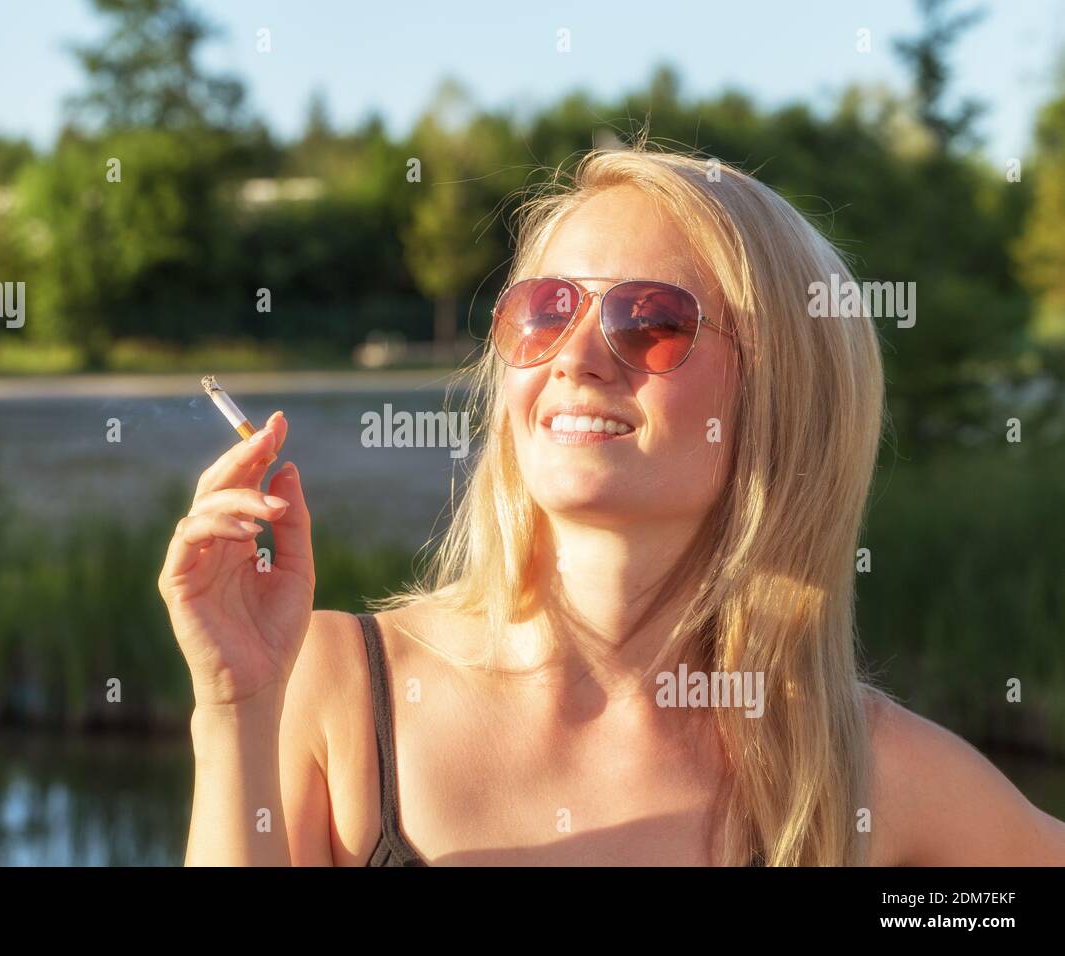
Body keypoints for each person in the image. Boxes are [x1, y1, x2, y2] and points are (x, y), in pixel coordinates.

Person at [158, 147, 1065, 866]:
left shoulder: (869, 770)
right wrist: (235, 707)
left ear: (786, 395)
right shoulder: (335, 688)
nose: (576, 357)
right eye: (545, 311)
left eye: (650, 320)